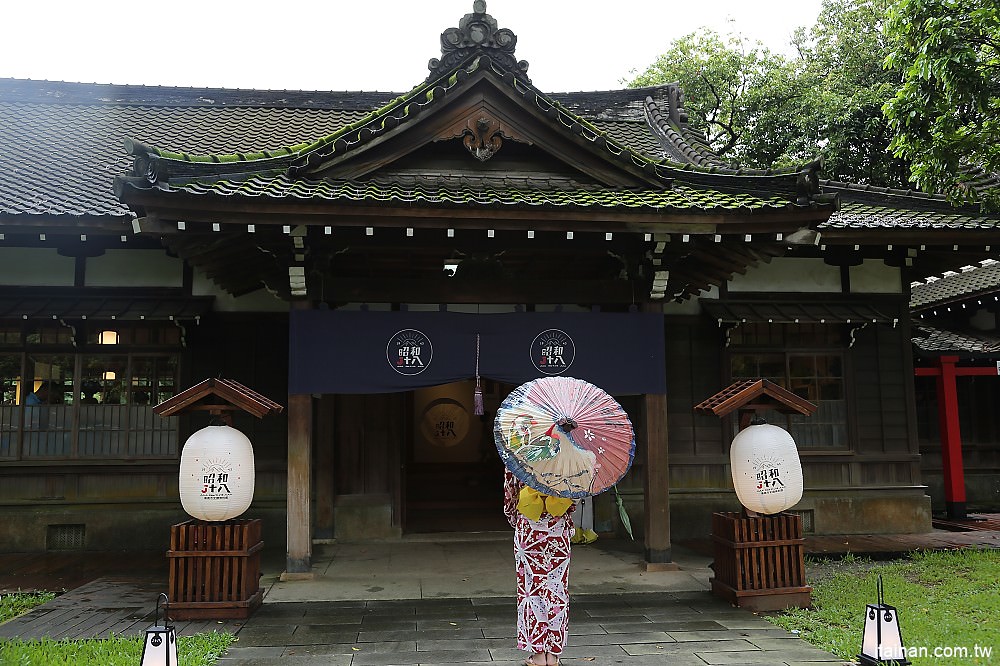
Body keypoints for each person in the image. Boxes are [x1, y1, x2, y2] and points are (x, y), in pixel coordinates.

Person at [503, 467, 576, 666]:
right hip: (557, 528)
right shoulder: (566, 456)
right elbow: (574, 499)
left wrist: (519, 521)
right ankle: (552, 654)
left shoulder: (517, 455)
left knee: (531, 589)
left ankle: (537, 654)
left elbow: (510, 500)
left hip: (529, 528)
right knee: (557, 588)